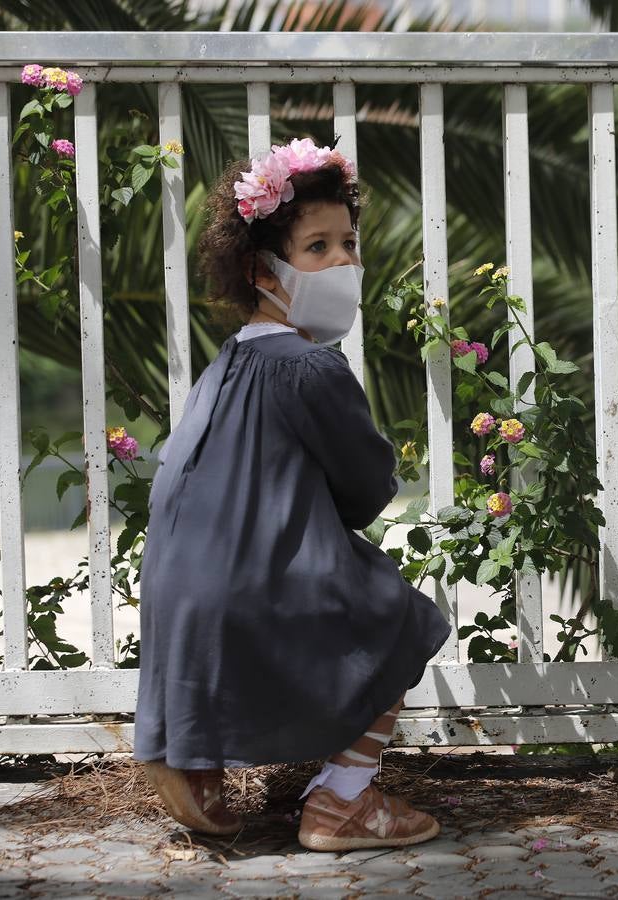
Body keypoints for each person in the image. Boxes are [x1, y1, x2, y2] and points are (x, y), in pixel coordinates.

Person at [134, 138, 450, 851]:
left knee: (260, 602)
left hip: (178, 583)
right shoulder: (310, 367)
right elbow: (365, 487)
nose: (343, 262)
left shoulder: (230, 361)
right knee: (398, 616)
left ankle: (192, 760)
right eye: (317, 247)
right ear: (263, 270)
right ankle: (342, 800)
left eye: (349, 243)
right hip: (253, 583)